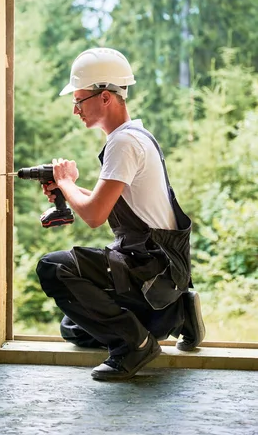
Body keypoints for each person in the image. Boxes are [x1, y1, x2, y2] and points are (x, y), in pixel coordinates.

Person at [36, 47, 205, 381]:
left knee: (52, 267)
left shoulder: (123, 143)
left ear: (105, 98)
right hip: (159, 270)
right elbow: (110, 201)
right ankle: (177, 314)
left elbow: (96, 215)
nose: (75, 110)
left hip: (149, 268)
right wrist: (69, 189)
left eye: (79, 100)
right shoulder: (134, 137)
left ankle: (136, 345)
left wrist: (67, 183)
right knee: (76, 328)